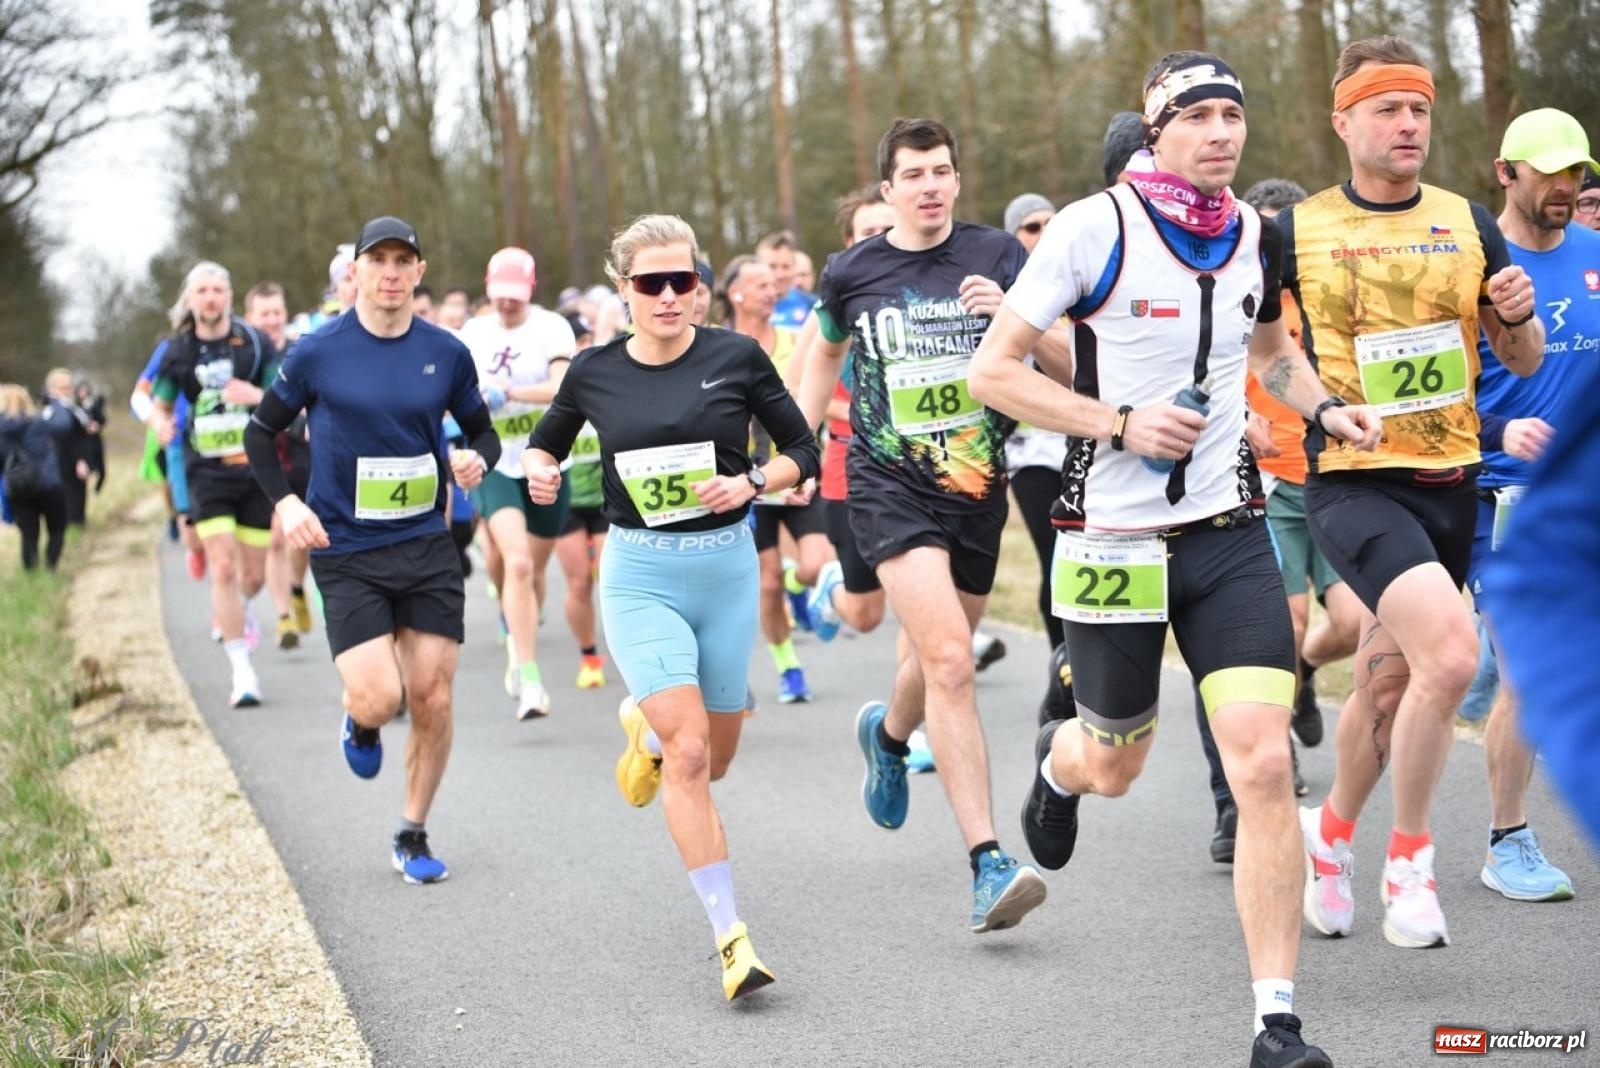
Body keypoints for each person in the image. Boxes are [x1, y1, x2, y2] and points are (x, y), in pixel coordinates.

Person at [972, 52, 1387, 1066]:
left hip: (1225, 534)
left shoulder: (1256, 235)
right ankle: (1057, 766)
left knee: (1260, 761)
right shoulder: (1089, 228)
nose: (1219, 133)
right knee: (1115, 762)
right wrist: (1115, 422)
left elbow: (1268, 353)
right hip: (1110, 538)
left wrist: (1323, 404)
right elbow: (995, 371)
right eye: (1195, 116)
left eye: (1230, 115)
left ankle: (1276, 1022)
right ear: (1155, 131)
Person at [1285, 37, 1545, 951]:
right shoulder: (1298, 229)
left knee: (1389, 688)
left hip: (1451, 485)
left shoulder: (1468, 220)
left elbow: (1517, 359)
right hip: (1355, 483)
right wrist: (1321, 409)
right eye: (1389, 109)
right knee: (1450, 657)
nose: (1408, 125)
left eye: (1421, 109)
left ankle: (1332, 839)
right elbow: (1266, 358)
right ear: (1344, 119)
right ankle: (1411, 861)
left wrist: (1515, 319)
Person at [522, 214, 819, 1000]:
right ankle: (733, 939)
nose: (666, 295)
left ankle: (642, 734)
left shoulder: (738, 357)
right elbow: (543, 444)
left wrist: (754, 481)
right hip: (640, 575)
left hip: (723, 573)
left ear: (700, 287)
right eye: (649, 283)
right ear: (624, 291)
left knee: (714, 759)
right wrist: (540, 470)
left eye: (680, 281)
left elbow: (805, 450)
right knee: (691, 755)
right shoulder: (592, 371)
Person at [795, 118, 1052, 933]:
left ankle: (889, 734)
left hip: (977, 485)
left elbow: (1068, 367)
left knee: (940, 662)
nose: (932, 185)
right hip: (886, 483)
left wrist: (1018, 316)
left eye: (943, 170)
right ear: (889, 190)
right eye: (915, 174)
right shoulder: (853, 271)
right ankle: (987, 862)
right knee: (949, 659)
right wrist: (803, 450)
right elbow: (824, 353)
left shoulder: (1000, 257)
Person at [245, 215, 499, 885]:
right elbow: (258, 433)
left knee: (433, 698)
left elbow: (483, 432)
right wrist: (288, 501)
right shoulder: (315, 352)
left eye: (402, 261)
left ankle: (412, 832)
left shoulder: (446, 352)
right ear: (355, 271)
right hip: (346, 549)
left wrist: (475, 459)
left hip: (424, 542)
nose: (390, 272)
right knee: (381, 698)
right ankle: (359, 724)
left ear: (418, 274)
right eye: (377, 259)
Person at [1461, 108, 1597, 902]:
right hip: (1494, 496)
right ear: (1505, 172)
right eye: (1546, 170)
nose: (1565, 186)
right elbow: (1431, 397)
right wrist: (1502, 427)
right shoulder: (1477, 268)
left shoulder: (1595, 255)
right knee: (1529, 672)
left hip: (1587, 495)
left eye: (1575, 170)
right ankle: (1506, 839)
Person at [148, 263, 277, 708]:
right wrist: (159, 424)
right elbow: (158, 405)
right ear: (190, 299)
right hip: (207, 472)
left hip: (254, 471)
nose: (210, 298)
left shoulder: (255, 343)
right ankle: (242, 671)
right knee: (221, 568)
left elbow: (284, 395)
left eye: (217, 289)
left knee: (252, 576)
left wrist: (256, 396)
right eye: (201, 290)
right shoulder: (178, 351)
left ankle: (239, 610)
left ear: (229, 296)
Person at [458, 246, 576, 719]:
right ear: (488, 290)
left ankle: (517, 631)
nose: (507, 305)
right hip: (494, 460)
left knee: (534, 572)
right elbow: (455, 392)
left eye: (516, 296)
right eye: (499, 296)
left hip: (546, 461)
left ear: (531, 289)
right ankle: (529, 677)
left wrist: (509, 393)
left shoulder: (551, 328)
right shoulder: (473, 333)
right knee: (519, 563)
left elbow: (564, 387)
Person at [720, 254, 829, 703]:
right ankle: (788, 666)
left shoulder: (792, 341)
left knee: (817, 565)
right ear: (735, 294)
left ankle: (798, 587)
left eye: (773, 284)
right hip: (745, 480)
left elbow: (809, 398)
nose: (772, 291)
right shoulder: (718, 348)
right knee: (766, 582)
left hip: (794, 471)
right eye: (760, 284)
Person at [244, 281, 315, 650]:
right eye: (264, 314)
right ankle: (284, 617)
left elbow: (304, 408)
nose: (271, 320)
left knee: (297, 539)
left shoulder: (300, 351)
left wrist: (257, 397)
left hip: (301, 453)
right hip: (263, 457)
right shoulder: (245, 357)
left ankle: (298, 587)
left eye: (277, 312)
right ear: (250, 318)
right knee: (276, 537)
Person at [549, 311, 608, 688]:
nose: (585, 347)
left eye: (588, 339)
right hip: (568, 499)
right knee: (578, 584)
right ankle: (589, 656)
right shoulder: (557, 392)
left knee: (610, 573)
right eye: (579, 341)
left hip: (606, 500)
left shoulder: (608, 383)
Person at [0, 384, 69, 570]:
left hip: (17, 488)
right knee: (57, 528)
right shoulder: (37, 422)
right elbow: (64, 425)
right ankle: (50, 567)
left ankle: (32, 574)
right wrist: (56, 402)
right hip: (48, 484)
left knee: (28, 535)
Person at [41, 369, 95, 527]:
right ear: (52, 389)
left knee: (78, 495)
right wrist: (79, 460)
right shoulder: (53, 411)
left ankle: (77, 526)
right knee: (70, 497)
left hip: (74, 459)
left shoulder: (70, 407)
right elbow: (65, 438)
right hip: (65, 461)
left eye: (69, 386)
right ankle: (72, 529)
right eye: (64, 387)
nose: (68, 390)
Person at [757, 230, 814, 329]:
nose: (780, 275)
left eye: (786, 267)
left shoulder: (812, 305)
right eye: (772, 267)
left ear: (794, 267)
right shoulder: (746, 307)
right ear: (758, 267)